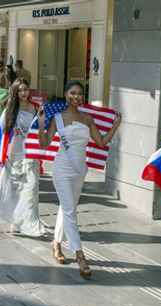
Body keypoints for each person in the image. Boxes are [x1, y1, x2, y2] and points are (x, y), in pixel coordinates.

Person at [37, 81, 122, 279]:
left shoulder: (87, 119)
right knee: (69, 210)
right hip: (61, 169)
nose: (76, 97)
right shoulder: (57, 118)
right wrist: (42, 124)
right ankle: (80, 255)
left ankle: (56, 243)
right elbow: (44, 144)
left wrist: (115, 126)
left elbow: (101, 142)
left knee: (68, 208)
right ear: (66, 95)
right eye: (72, 93)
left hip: (79, 170)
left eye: (79, 94)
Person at [0, 78, 45, 236]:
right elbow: (4, 131)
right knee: (15, 188)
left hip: (31, 152)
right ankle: (15, 221)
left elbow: (41, 129)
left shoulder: (35, 108)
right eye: (19, 90)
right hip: (15, 151)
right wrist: (12, 134)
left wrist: (41, 122)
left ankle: (32, 222)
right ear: (15, 92)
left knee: (32, 187)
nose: (23, 93)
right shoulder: (10, 109)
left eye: (25, 90)